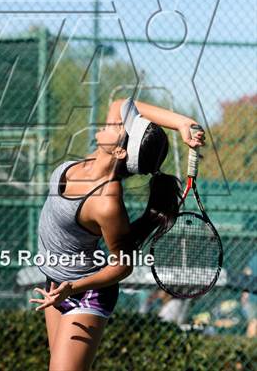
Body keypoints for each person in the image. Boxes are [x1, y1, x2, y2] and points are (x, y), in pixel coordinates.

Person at [29, 96, 206, 371]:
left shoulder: (106, 202)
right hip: (56, 281)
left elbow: (123, 266)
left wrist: (72, 288)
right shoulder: (97, 158)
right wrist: (184, 123)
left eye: (121, 127)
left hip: (83, 291)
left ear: (121, 152)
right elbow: (120, 103)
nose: (112, 121)